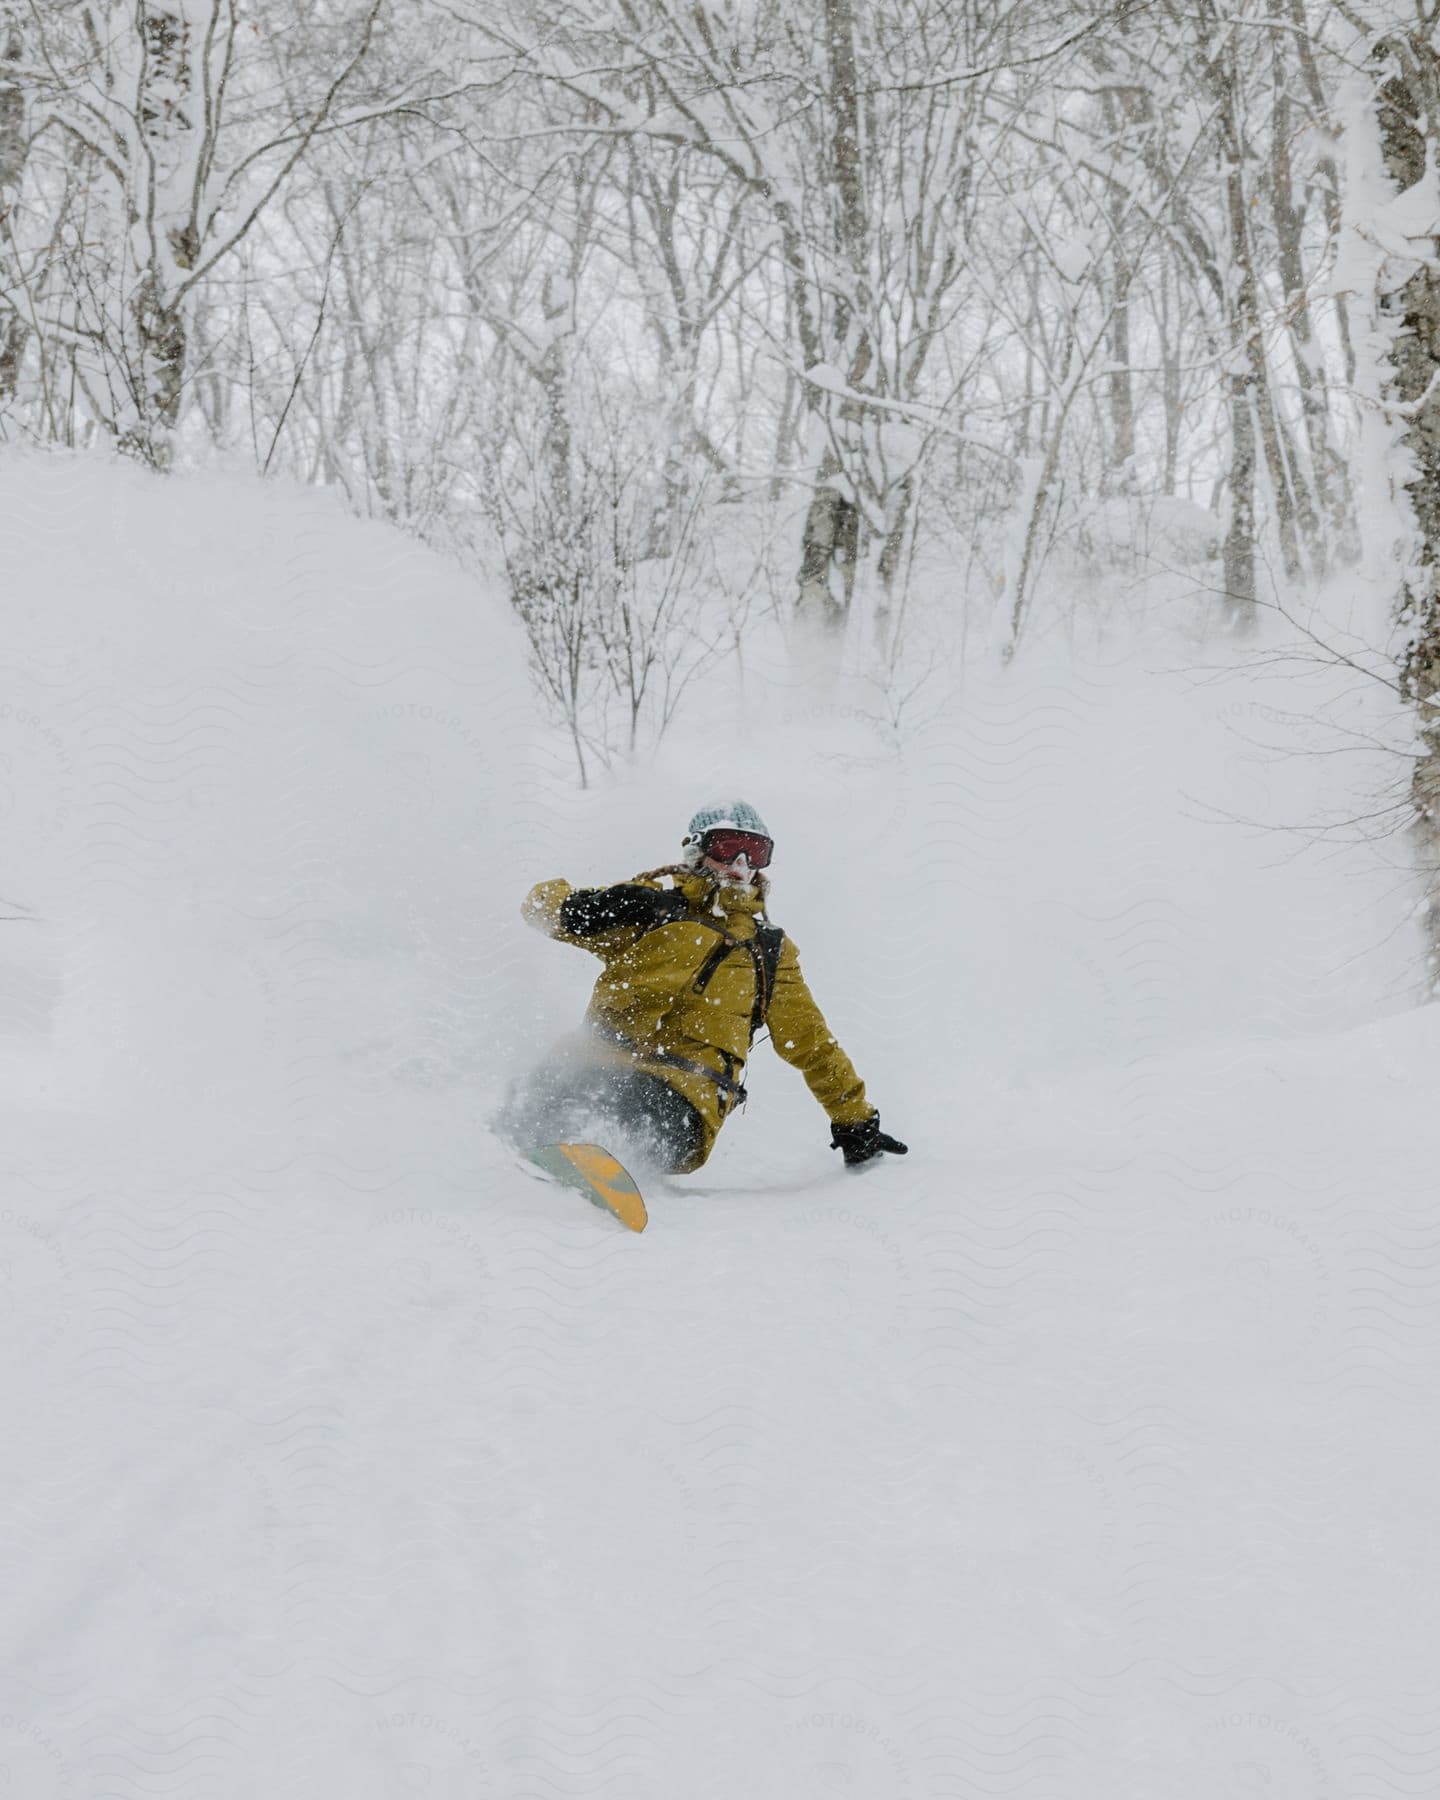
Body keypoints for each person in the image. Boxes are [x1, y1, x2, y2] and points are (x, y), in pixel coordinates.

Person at [500, 801, 908, 1176]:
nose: (741, 863)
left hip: (682, 1093)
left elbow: (811, 1042)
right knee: (535, 1100)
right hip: (594, 1066)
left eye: (756, 853)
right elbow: (536, 908)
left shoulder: (766, 950)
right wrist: (596, 906)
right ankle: (520, 1152)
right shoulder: (654, 910)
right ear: (697, 850)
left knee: (623, 1110)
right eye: (729, 846)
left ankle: (595, 1153)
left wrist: (855, 1121)